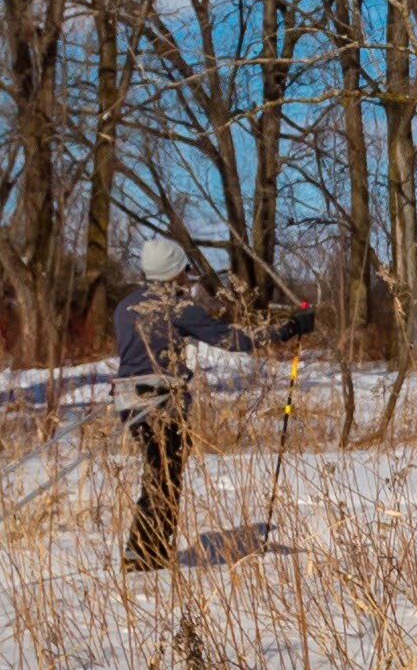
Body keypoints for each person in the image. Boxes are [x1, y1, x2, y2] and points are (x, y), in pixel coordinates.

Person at [113, 233, 314, 574]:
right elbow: (234, 340)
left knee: (158, 471)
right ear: (172, 271)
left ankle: (150, 552)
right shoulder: (179, 308)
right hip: (163, 402)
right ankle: (143, 555)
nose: (187, 276)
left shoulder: (126, 306)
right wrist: (287, 329)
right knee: (164, 476)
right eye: (183, 269)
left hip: (127, 399)